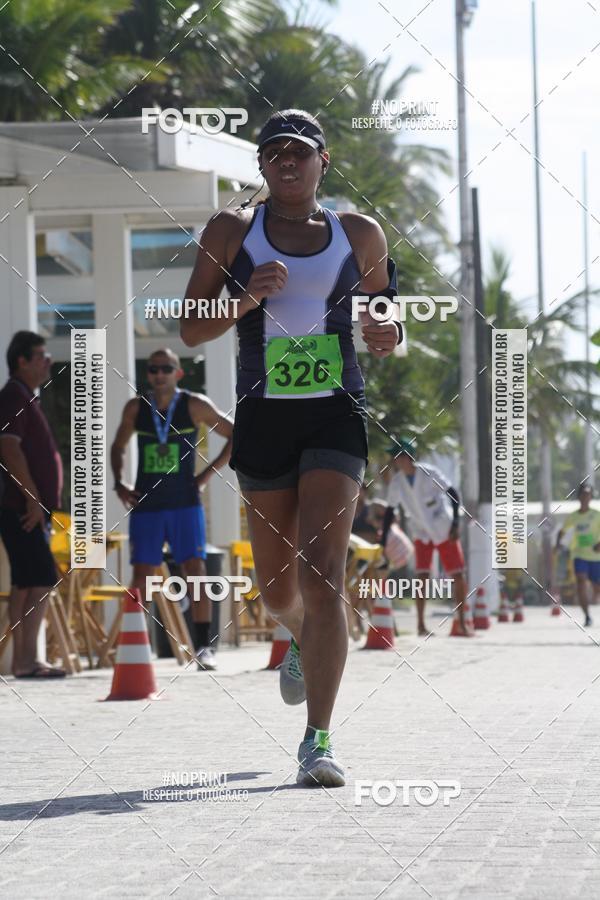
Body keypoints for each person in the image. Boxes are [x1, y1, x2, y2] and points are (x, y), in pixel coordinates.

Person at [181, 108, 401, 787]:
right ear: (261, 167)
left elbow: (387, 307)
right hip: (264, 419)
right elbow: (191, 329)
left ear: (322, 163)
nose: (287, 162)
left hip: (336, 415)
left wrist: (388, 330)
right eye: (274, 153)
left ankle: (319, 740)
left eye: (299, 153)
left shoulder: (358, 232)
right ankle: (298, 639)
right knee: (280, 591)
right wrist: (245, 299)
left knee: (322, 574)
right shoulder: (230, 231)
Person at [111, 348, 233, 670]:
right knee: (141, 575)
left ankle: (204, 647)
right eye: (153, 369)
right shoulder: (136, 408)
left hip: (184, 503)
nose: (159, 374)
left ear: (177, 373)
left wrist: (207, 474)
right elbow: (118, 446)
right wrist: (119, 483)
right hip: (147, 505)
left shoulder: (195, 404)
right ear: (147, 374)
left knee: (195, 571)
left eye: (166, 368)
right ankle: (141, 646)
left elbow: (235, 434)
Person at [0, 331, 66, 678]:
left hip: (28, 507)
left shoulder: (25, 396)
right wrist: (33, 501)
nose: (48, 361)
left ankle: (26, 660)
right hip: (21, 508)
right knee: (39, 578)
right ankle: (26, 660)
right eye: (41, 355)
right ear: (22, 361)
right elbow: (9, 450)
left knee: (28, 582)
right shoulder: (13, 395)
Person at [383, 438, 470, 637]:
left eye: (398, 456)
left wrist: (456, 524)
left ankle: (462, 623)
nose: (395, 461)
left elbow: (453, 494)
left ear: (408, 457)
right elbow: (389, 510)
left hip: (443, 528)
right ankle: (421, 625)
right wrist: (383, 540)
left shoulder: (429, 473)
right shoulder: (397, 482)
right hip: (421, 532)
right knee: (421, 576)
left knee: (457, 575)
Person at [555, 483, 600, 626]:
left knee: (596, 587)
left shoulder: (596, 515)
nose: (585, 498)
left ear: (591, 497)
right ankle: (587, 616)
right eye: (583, 495)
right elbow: (561, 531)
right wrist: (558, 545)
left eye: (588, 495)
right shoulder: (573, 516)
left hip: (595, 557)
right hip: (579, 555)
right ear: (579, 497)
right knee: (581, 582)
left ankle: (594, 598)